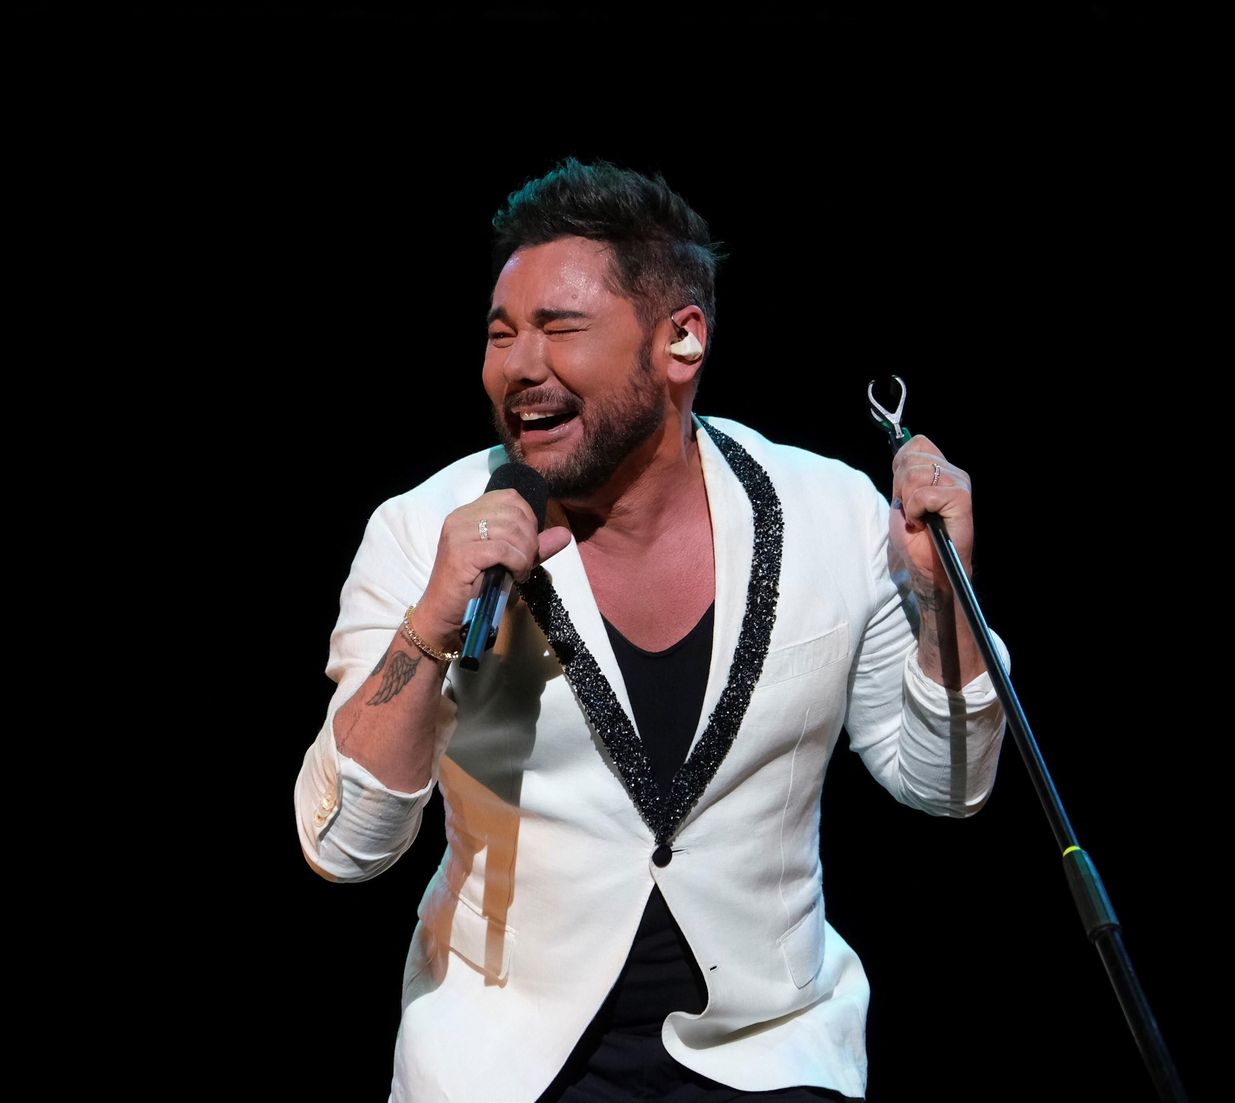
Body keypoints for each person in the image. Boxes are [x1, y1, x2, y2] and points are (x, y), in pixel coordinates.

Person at [293, 159, 1007, 1103]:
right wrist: (431, 623)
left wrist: (942, 602)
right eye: (501, 334)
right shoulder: (423, 532)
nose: (520, 366)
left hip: (770, 1048)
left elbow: (947, 782)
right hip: (509, 1059)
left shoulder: (830, 511)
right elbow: (346, 847)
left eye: (561, 329)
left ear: (681, 341)